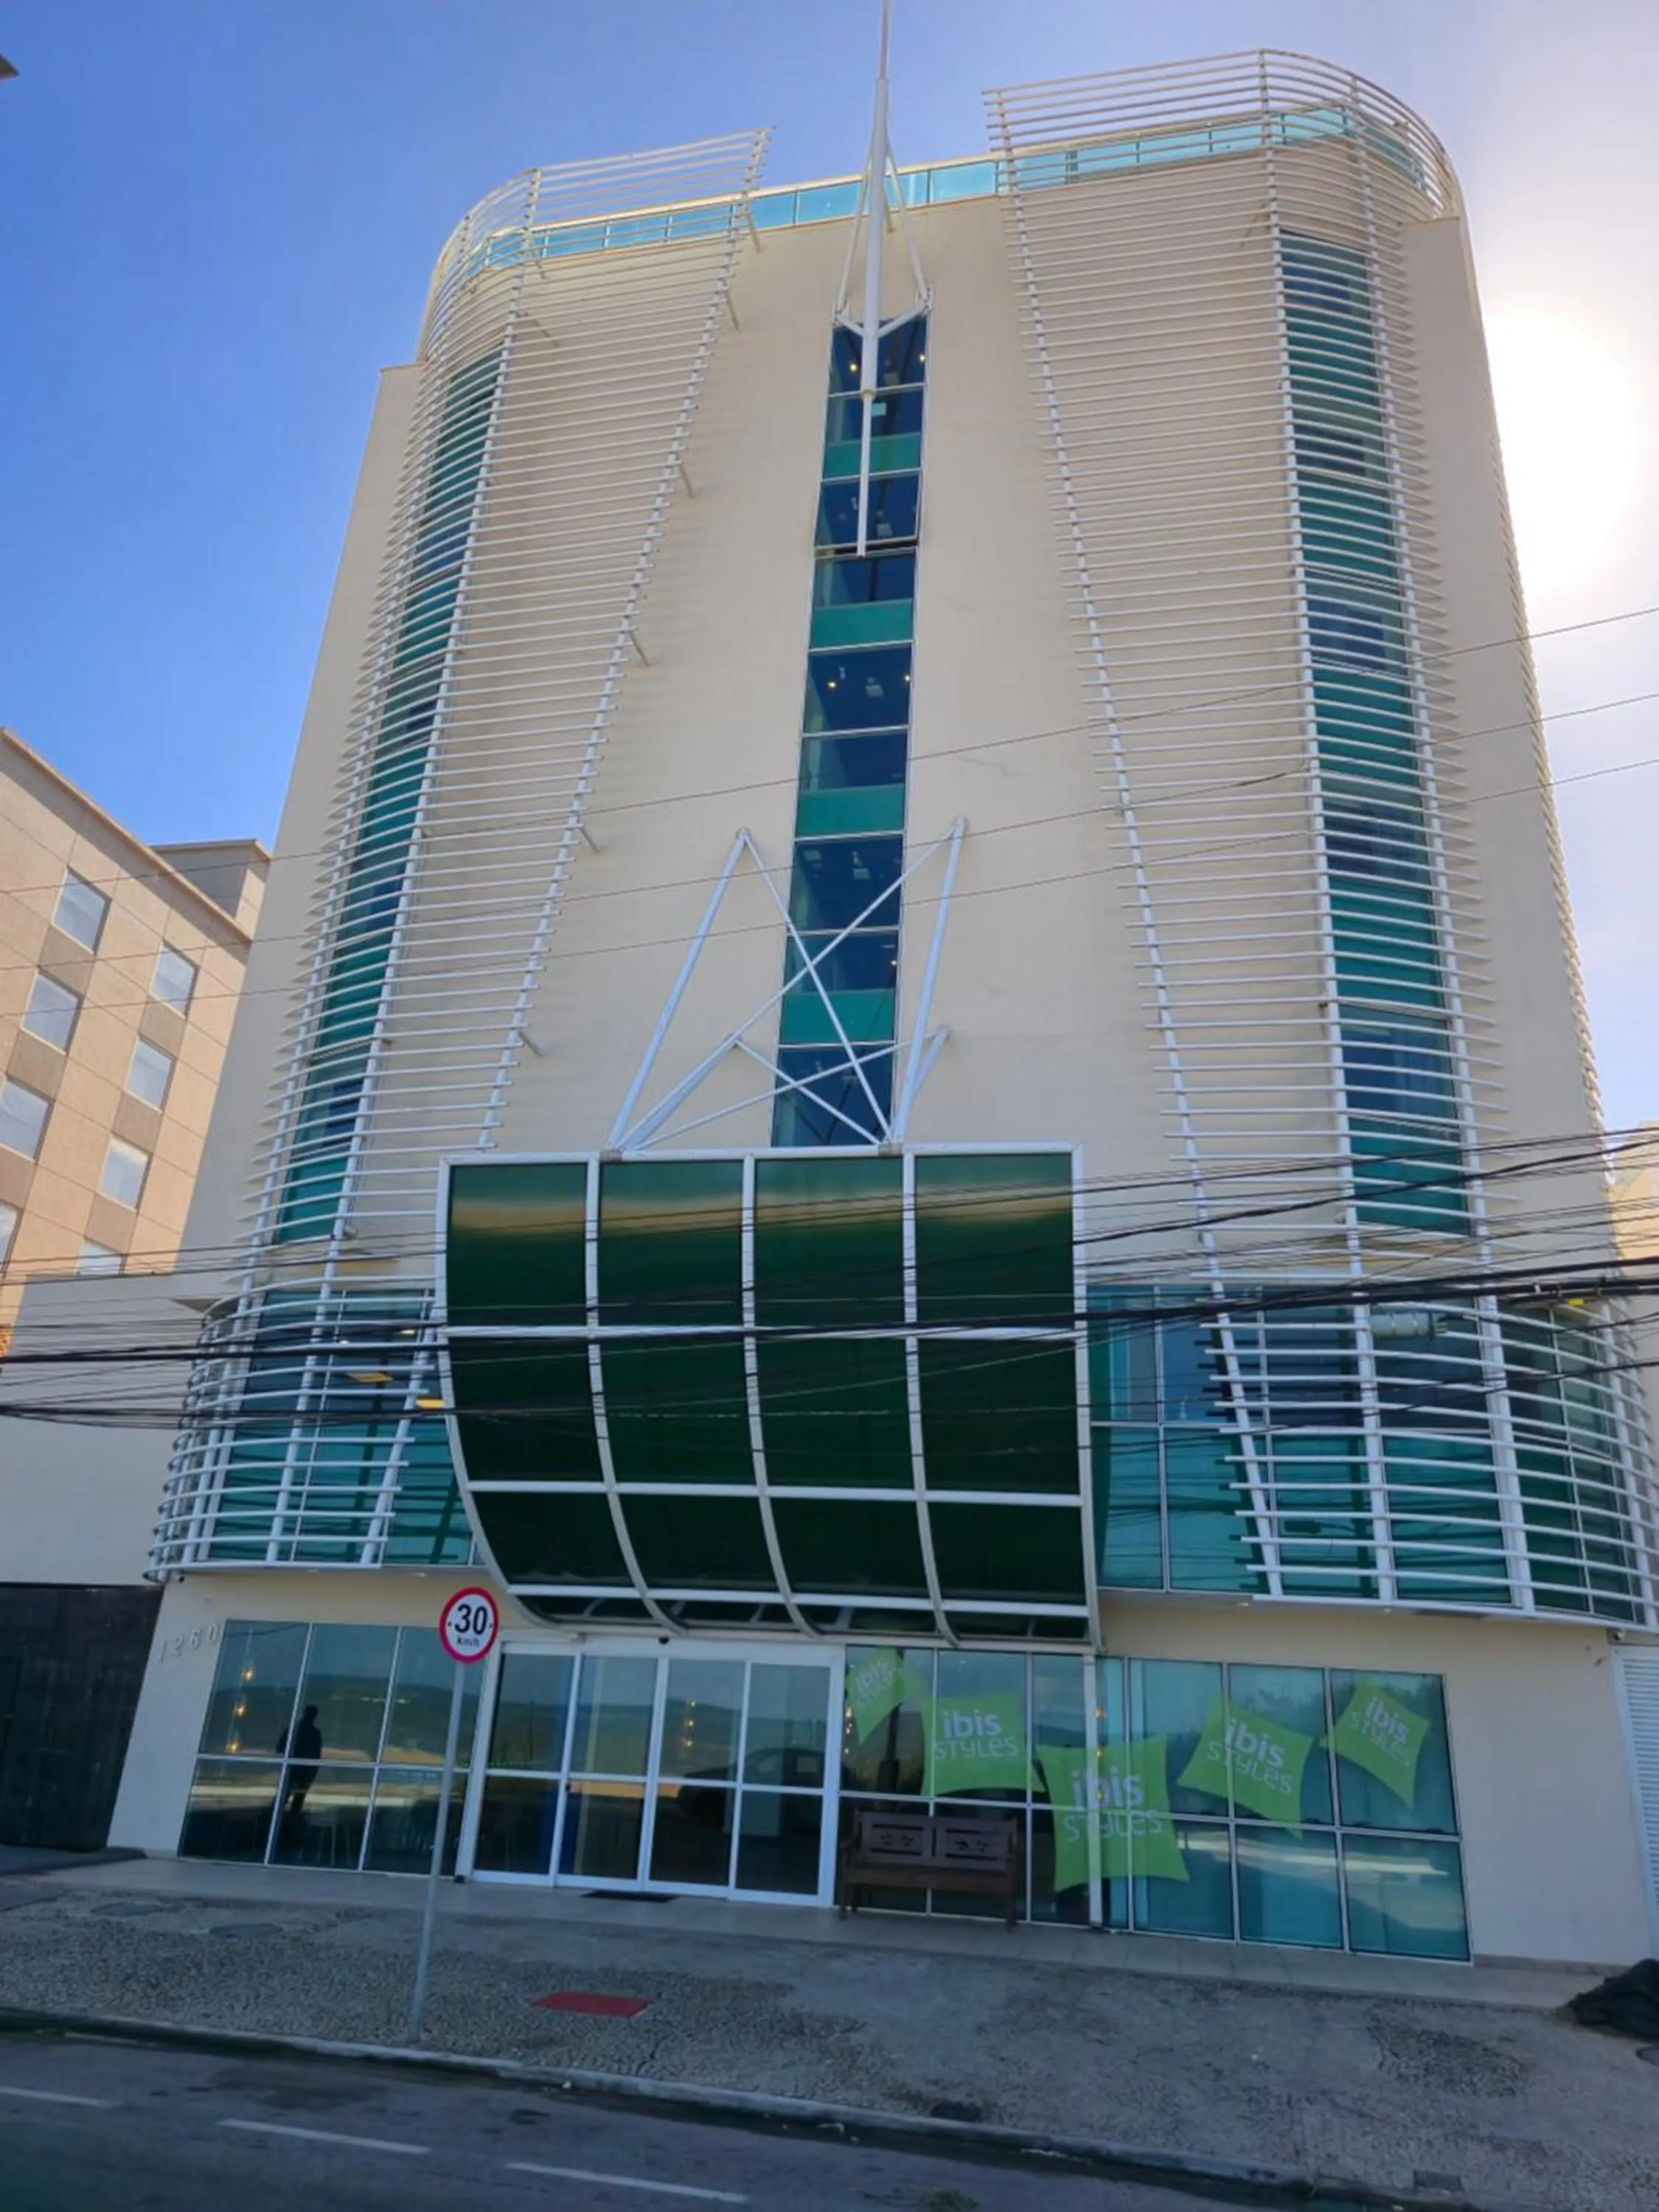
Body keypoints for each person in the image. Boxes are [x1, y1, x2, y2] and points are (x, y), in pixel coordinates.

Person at [276, 1704, 324, 1846]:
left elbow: (280, 1748)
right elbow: (316, 1756)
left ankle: (281, 1833)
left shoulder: (294, 1730)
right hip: (301, 1772)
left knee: (284, 1801)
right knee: (295, 1803)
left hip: (295, 1771)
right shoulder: (313, 1733)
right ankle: (287, 1834)